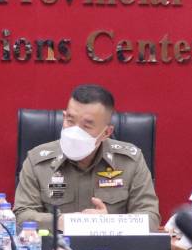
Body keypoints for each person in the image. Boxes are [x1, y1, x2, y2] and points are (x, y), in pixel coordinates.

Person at [13, 83, 160, 231]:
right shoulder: (37, 160)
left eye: (86, 126)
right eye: (70, 120)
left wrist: (108, 223)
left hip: (111, 245)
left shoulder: (130, 161)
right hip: (56, 245)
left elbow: (151, 218)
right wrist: (63, 222)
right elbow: (22, 215)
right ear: (64, 117)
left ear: (106, 133)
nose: (75, 132)